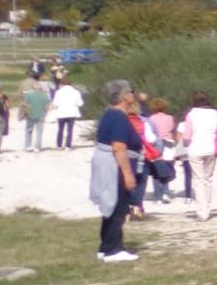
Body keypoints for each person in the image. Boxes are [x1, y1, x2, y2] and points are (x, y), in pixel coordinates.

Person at [89, 79, 142, 263]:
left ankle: (105, 247)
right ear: (124, 95)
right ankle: (113, 249)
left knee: (110, 205)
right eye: (131, 91)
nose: (133, 94)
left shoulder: (110, 114)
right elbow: (119, 147)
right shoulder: (118, 116)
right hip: (114, 165)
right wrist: (128, 175)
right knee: (118, 205)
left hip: (107, 162)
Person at [179, 90, 217, 220]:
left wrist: (185, 143)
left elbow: (187, 136)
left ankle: (202, 211)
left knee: (198, 180)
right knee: (208, 179)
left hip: (195, 149)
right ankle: (208, 207)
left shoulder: (191, 114)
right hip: (211, 149)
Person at [146, 99, 179, 203]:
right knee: (167, 169)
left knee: (156, 171)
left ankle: (157, 196)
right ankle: (166, 192)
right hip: (169, 144)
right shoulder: (170, 118)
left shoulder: (150, 119)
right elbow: (172, 130)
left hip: (156, 144)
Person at [51, 79, 84, 149]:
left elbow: (55, 103)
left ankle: (59, 145)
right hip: (72, 113)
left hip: (61, 113)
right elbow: (80, 103)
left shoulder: (58, 92)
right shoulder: (76, 92)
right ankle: (68, 146)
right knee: (70, 130)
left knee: (60, 129)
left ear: (62, 84)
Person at [21, 76, 50, 151]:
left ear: (32, 88)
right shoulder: (45, 96)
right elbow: (47, 107)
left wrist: (25, 113)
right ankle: (37, 147)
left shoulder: (28, 95)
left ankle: (28, 146)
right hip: (41, 114)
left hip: (31, 114)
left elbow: (24, 105)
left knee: (29, 130)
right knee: (39, 131)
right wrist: (45, 113)